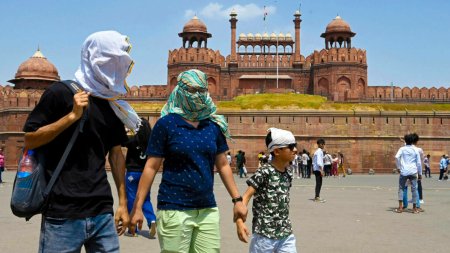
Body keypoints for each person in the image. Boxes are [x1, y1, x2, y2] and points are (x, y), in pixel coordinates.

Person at [23, 31, 140, 252]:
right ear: (94, 59)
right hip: (62, 212)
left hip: (102, 211)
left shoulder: (111, 103)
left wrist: (123, 203)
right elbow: (30, 139)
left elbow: (116, 154)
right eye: (112, 60)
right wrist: (71, 117)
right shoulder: (60, 93)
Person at [129, 69, 247, 252]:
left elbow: (223, 164)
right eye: (192, 90)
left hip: (207, 209)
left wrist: (237, 199)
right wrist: (137, 207)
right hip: (174, 208)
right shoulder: (166, 124)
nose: (197, 95)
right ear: (180, 89)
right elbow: (151, 167)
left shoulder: (212, 125)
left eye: (202, 90)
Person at [236, 127, 298, 252]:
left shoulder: (288, 173)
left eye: (295, 146)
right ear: (277, 151)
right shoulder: (264, 172)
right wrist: (239, 221)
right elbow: (246, 196)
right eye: (290, 147)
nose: (295, 150)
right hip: (264, 236)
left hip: (285, 233)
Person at [123, 118, 156, 238]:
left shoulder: (132, 141)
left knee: (132, 199)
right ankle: (151, 219)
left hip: (132, 173)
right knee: (146, 199)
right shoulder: (151, 142)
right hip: (145, 174)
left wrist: (127, 130)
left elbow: (121, 142)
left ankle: (133, 229)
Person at [394, 134, 422, 214]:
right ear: (413, 141)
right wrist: (420, 173)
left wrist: (398, 167)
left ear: (405, 141)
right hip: (413, 171)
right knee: (414, 189)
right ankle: (414, 208)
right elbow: (419, 163)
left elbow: (396, 157)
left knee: (401, 188)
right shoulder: (415, 149)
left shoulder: (402, 149)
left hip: (404, 171)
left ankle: (400, 208)